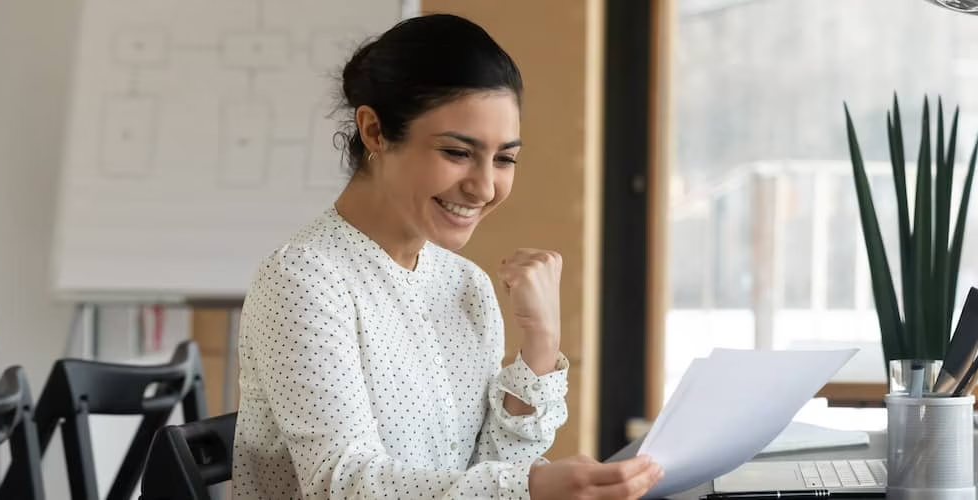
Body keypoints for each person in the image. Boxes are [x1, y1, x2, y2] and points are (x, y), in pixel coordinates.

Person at [231, 13, 665, 500]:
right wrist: (534, 487)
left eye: (504, 159)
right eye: (458, 152)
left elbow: (489, 475)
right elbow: (343, 485)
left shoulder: (467, 284)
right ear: (375, 132)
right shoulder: (303, 280)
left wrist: (541, 342)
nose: (484, 186)